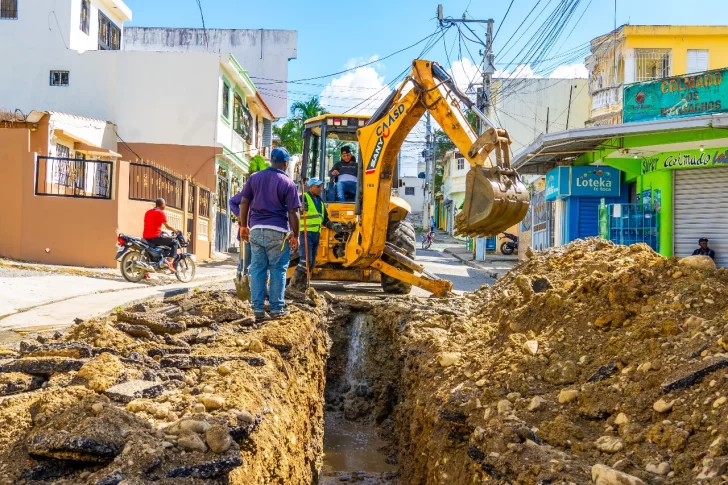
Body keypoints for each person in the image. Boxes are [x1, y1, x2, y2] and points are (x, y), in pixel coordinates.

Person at [238, 147, 300, 321]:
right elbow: (293, 212)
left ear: (271, 161)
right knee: (278, 269)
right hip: (278, 231)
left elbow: (244, 202)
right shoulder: (287, 183)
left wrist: (244, 226)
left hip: (256, 230)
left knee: (257, 269)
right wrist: (296, 235)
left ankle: (258, 310)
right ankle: (276, 309)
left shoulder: (254, 178)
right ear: (286, 163)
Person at [289, 178, 342, 290]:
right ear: (310, 187)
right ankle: (293, 286)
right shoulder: (303, 198)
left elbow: (324, 219)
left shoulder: (320, 202)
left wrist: (333, 226)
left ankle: (302, 287)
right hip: (305, 233)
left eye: (320, 186)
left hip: (315, 235)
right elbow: (293, 212)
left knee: (311, 263)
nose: (320, 189)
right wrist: (300, 209)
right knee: (305, 261)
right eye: (317, 186)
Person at [230, 156, 272, 278]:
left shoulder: (268, 194)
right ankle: (242, 282)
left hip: (260, 231)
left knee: (260, 263)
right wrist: (239, 215)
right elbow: (233, 202)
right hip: (247, 230)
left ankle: (256, 286)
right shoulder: (247, 192)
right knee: (245, 261)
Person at [143, 198, 180, 271]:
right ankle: (169, 261)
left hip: (146, 237)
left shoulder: (148, 212)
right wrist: (175, 230)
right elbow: (167, 226)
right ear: (162, 204)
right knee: (174, 242)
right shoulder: (160, 212)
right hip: (155, 237)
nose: (165, 205)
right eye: (165, 204)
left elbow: (151, 224)